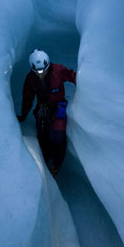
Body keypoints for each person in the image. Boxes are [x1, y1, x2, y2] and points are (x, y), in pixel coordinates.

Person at [17, 48, 76, 177]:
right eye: (37, 71)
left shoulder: (58, 70)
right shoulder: (31, 79)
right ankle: (44, 158)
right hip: (42, 108)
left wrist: (87, 86)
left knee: (58, 136)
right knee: (42, 135)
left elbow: (72, 76)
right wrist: (24, 115)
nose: (41, 74)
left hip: (59, 106)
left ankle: (56, 164)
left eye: (43, 70)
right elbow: (27, 99)